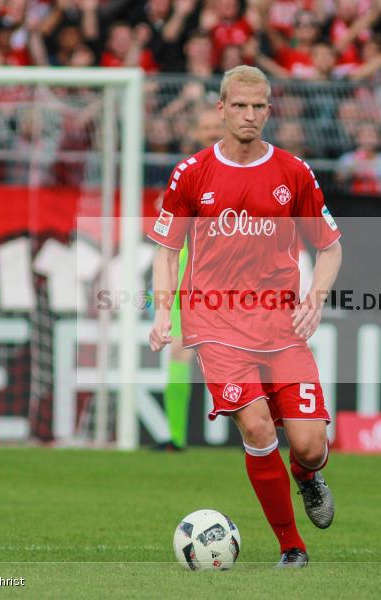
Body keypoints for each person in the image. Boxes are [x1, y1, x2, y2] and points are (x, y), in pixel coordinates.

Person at [148, 66, 342, 568]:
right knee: (258, 430)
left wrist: (315, 298)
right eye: (239, 105)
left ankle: (307, 476)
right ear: (221, 108)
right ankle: (291, 547)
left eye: (258, 107)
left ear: (269, 111)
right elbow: (167, 251)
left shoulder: (293, 172)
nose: (249, 115)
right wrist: (162, 312)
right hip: (216, 326)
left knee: (310, 445)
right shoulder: (191, 173)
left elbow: (331, 247)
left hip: (280, 327)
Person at [153, 106, 225, 452]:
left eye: (216, 126)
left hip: (233, 272)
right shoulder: (188, 172)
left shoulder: (238, 169)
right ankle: (175, 437)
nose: (211, 132)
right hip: (190, 270)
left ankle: (263, 435)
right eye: (206, 127)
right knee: (179, 351)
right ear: (197, 133)